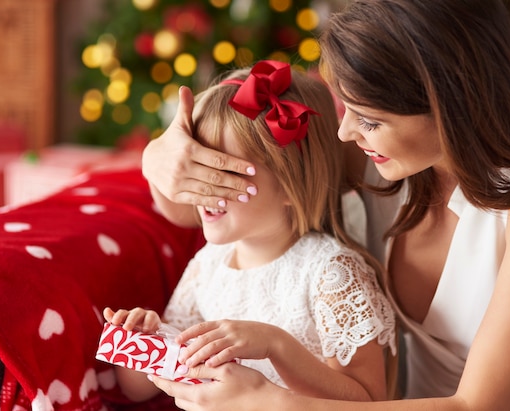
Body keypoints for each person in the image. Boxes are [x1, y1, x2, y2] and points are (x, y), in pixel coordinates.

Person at [140, 0, 510, 410]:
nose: (345, 133)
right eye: (347, 108)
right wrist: (157, 160)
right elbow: (196, 210)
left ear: (451, 104)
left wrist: (271, 401)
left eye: (370, 119)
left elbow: (478, 406)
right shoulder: (391, 155)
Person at [103, 60, 397, 404]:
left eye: (222, 173)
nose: (204, 190)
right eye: (197, 170)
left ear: (290, 185)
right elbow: (137, 389)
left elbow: (368, 400)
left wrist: (277, 345)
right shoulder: (208, 266)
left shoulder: (332, 274)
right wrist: (141, 341)